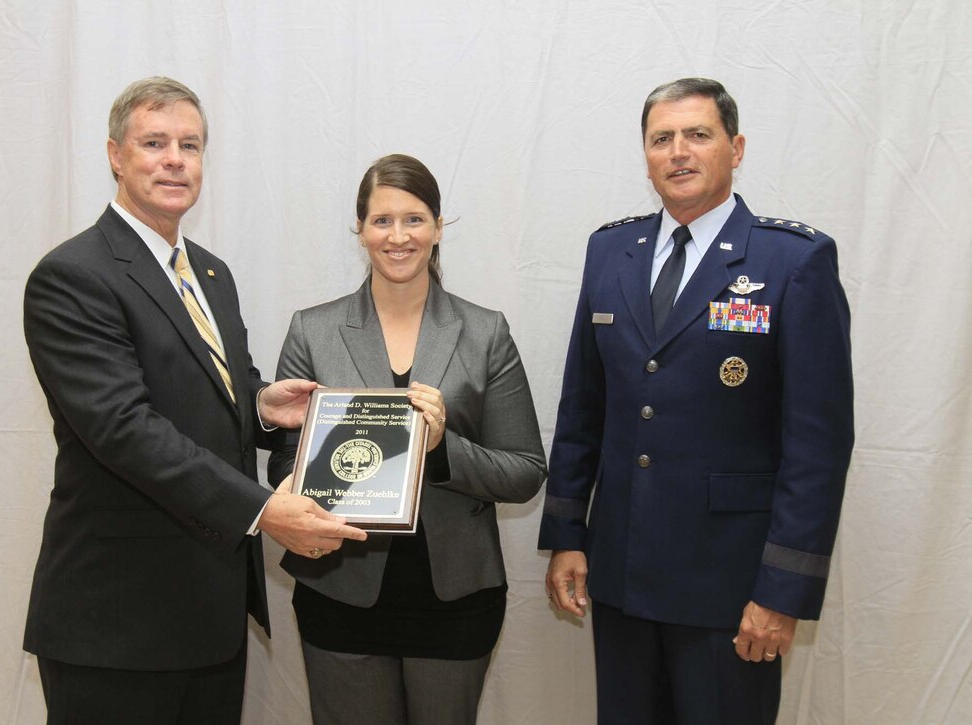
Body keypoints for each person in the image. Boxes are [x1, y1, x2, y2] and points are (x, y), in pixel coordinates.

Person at [22, 76, 366, 724]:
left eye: (191, 144)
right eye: (154, 142)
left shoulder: (209, 271)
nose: (175, 158)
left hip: (208, 615)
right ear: (114, 155)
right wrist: (266, 509)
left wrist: (263, 405)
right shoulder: (73, 277)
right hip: (115, 626)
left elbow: (199, 392)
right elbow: (127, 430)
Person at [539, 78, 854, 724]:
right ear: (647, 155)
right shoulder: (610, 253)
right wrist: (569, 534)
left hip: (729, 586)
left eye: (697, 135)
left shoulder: (792, 262)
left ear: (735, 148)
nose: (678, 152)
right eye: (662, 139)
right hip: (622, 572)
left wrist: (782, 592)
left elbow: (817, 447)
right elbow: (582, 408)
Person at [267, 153, 547, 725]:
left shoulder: (485, 331)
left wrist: (442, 447)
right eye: (382, 220)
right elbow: (284, 466)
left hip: (455, 597)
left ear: (439, 229)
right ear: (361, 230)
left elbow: (524, 471)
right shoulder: (311, 329)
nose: (399, 236)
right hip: (340, 592)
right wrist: (302, 485)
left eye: (415, 219)